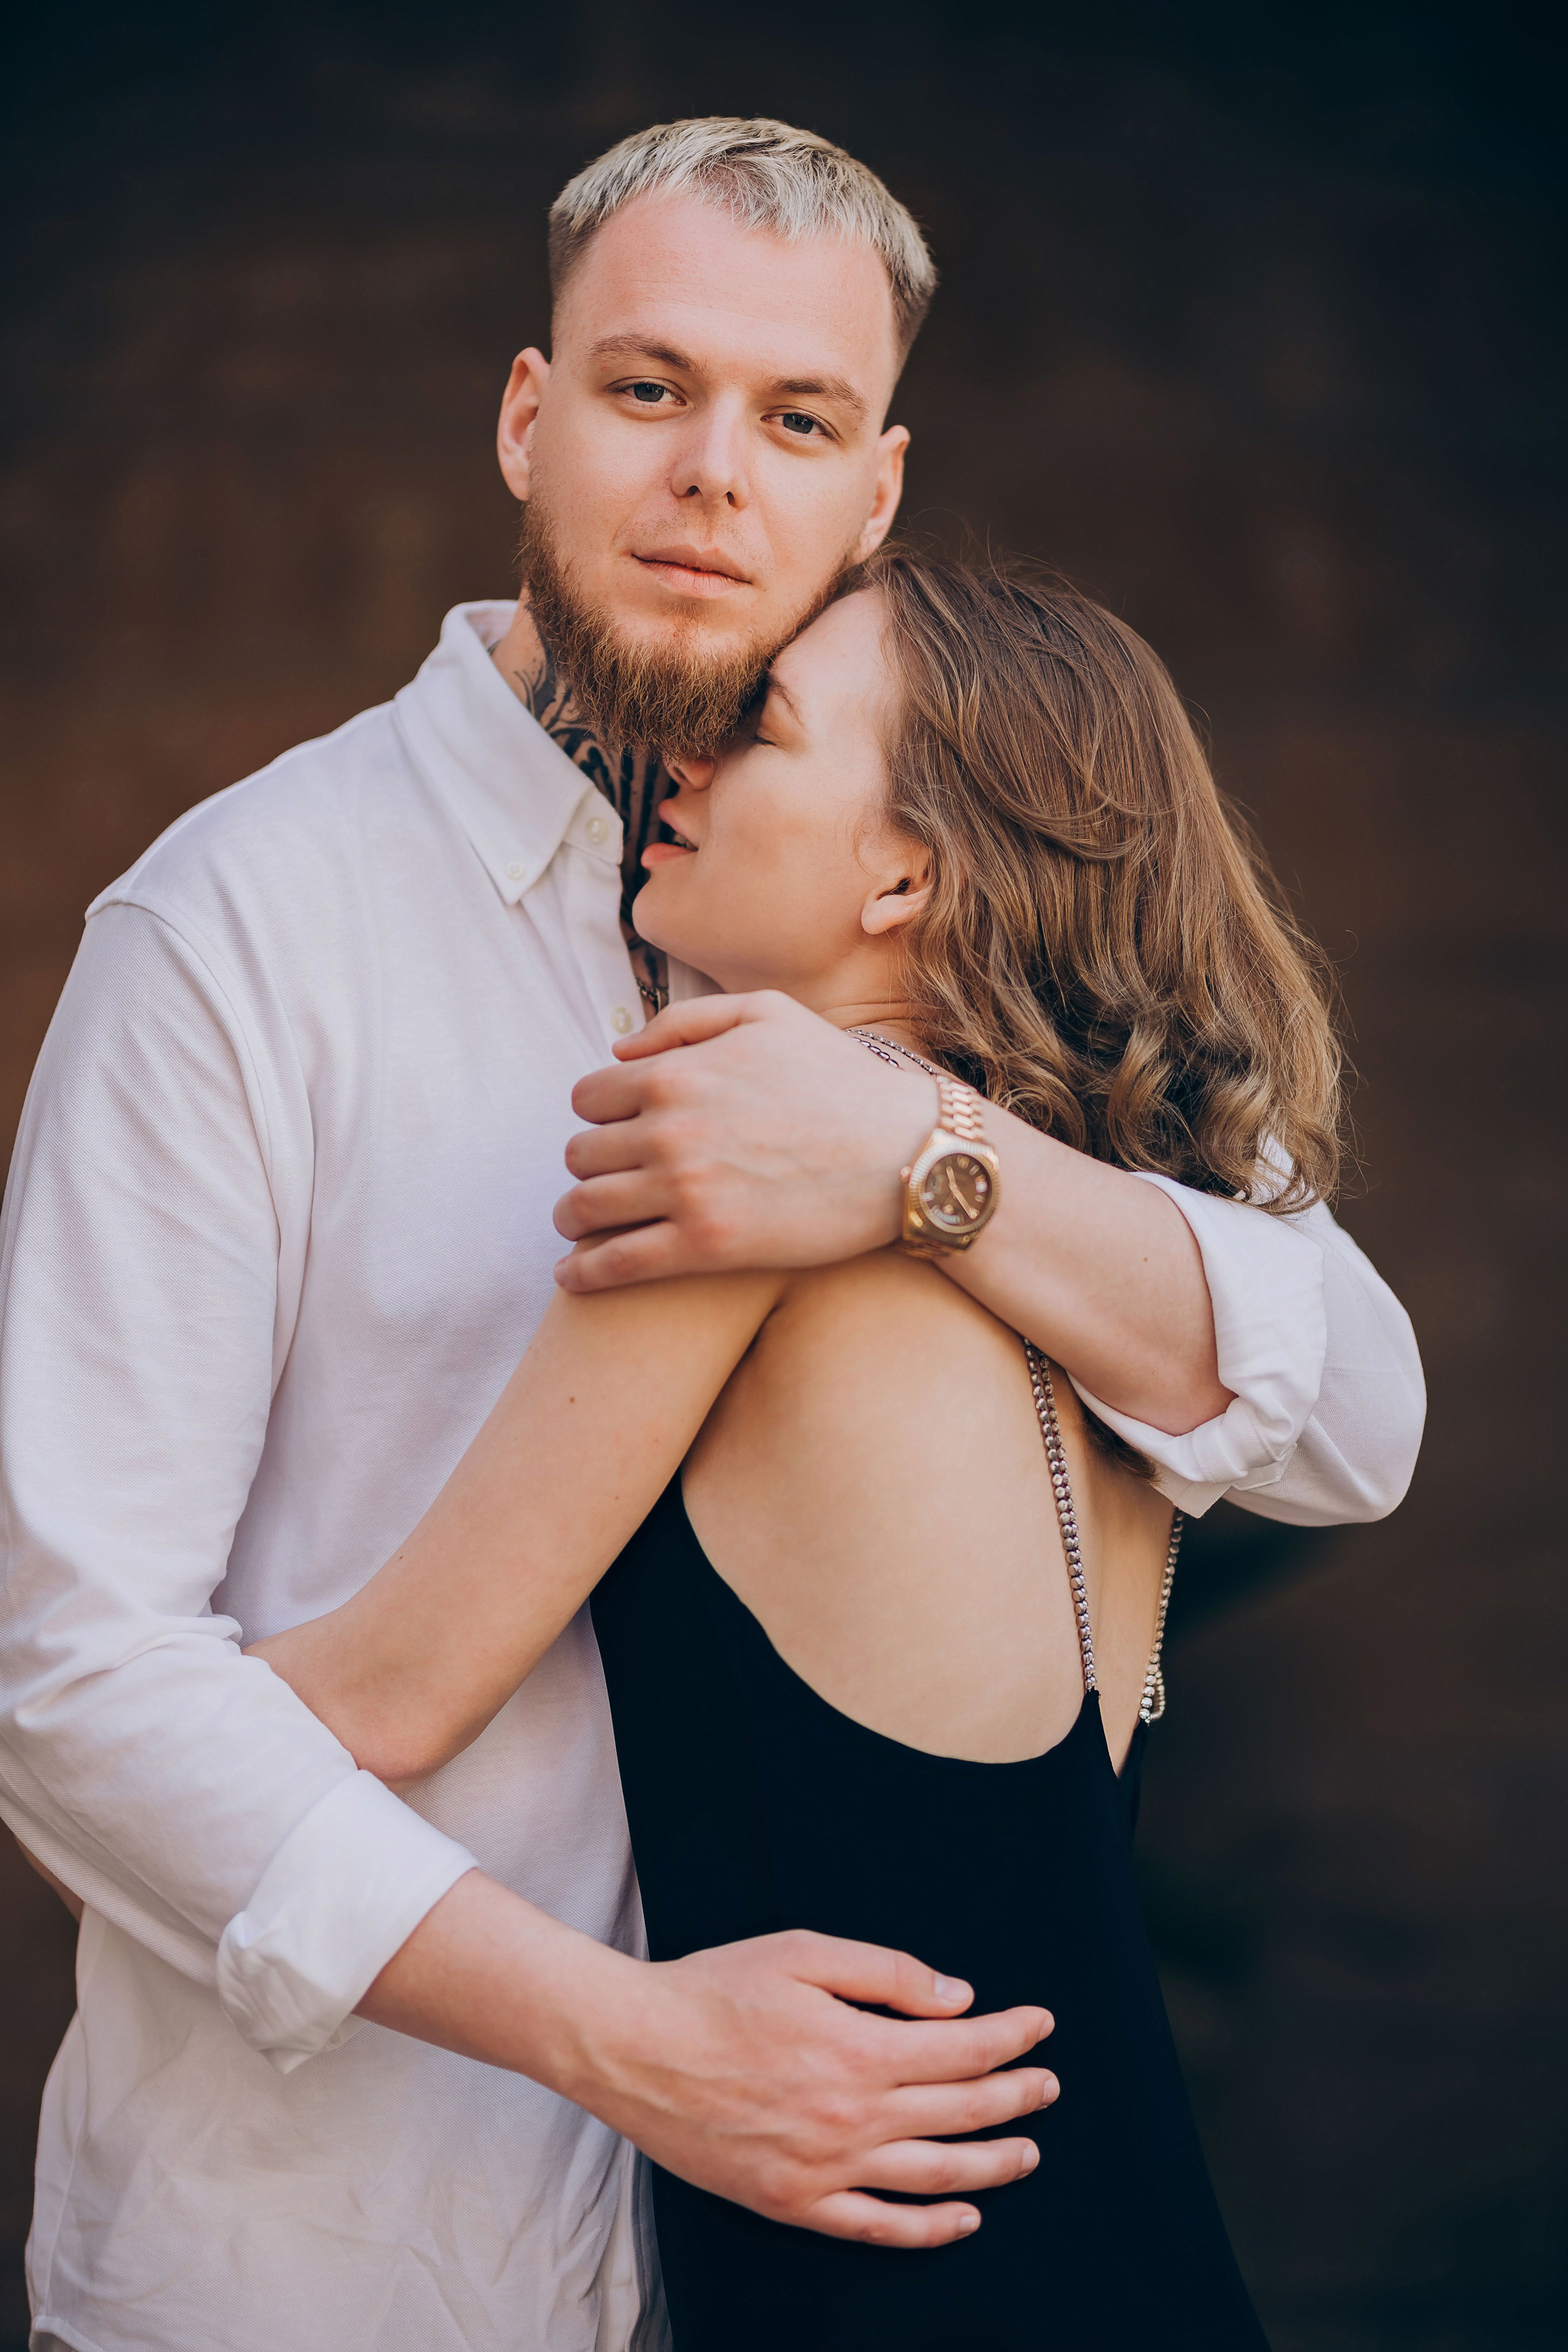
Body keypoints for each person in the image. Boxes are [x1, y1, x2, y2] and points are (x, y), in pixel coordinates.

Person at [0, 119, 1422, 2352]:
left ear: (877, 492)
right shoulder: (227, 939)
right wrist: (616, 2036)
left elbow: (1354, 1406)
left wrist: (914, 1159)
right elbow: (73, 1680)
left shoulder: (920, 1046)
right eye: (649, 390)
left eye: (798, 420)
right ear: (525, 417)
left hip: (829, 2252)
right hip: (349, 2266)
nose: (711, 478)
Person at [252, 547, 1311, 2347]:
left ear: (909, 868)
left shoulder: (736, 1184)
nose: (687, 760)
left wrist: (81, 1705)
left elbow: (383, 1701)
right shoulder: (1107, 1254)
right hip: (1134, 2266)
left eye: (764, 731)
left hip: (893, 2295)